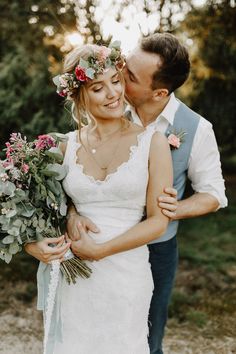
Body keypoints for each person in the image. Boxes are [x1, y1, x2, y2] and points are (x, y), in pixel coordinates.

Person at [67, 33, 227, 354]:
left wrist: (174, 208)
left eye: (128, 76)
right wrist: (74, 211)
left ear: (159, 92)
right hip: (94, 241)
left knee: (143, 337)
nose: (117, 77)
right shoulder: (107, 107)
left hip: (155, 249)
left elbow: (214, 195)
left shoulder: (197, 129)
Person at [25, 42, 173, 354]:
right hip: (75, 279)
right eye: (98, 87)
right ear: (79, 95)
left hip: (127, 275)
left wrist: (101, 250)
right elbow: (44, 208)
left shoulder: (153, 142)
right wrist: (58, 224)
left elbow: (159, 222)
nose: (113, 94)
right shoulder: (63, 147)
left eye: (116, 81)